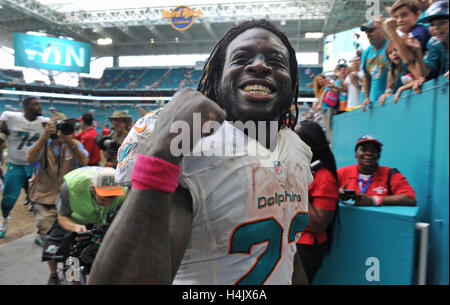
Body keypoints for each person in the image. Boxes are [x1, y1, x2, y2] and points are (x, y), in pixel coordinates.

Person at [89, 19, 313, 285]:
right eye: (241, 58)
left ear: (292, 83)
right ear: (217, 79)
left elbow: (289, 253)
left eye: (276, 62)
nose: (260, 65)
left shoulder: (296, 148)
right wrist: (160, 157)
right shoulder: (194, 149)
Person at [43, 166, 127, 284]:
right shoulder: (71, 187)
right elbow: (62, 217)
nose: (108, 203)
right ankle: (54, 274)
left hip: (104, 221)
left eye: (112, 198)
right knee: (51, 247)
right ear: (92, 189)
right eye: (103, 199)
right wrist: (76, 228)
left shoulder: (125, 189)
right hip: (75, 220)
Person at [26, 112, 88, 246]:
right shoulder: (42, 144)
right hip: (44, 199)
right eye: (57, 126)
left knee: (71, 241)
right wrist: (44, 136)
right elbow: (30, 159)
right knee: (49, 243)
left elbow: (84, 162)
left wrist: (69, 142)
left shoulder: (73, 144)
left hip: (69, 200)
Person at [294, 120, 339, 284]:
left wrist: (298, 185)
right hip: (292, 241)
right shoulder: (299, 167)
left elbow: (319, 223)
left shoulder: (325, 178)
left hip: (307, 248)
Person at [0, 96, 49, 238]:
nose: (39, 106)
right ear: (26, 107)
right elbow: (1, 137)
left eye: (40, 103)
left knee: (37, 200)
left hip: (35, 167)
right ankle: (4, 221)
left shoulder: (44, 122)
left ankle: (40, 232)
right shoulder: (11, 118)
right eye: (36, 104)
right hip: (15, 165)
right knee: (8, 198)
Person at [337, 135, 417, 206]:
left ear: (378, 155)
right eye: (363, 150)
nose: (368, 153)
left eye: (373, 150)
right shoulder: (341, 173)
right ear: (356, 154)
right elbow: (325, 193)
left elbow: (410, 199)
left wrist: (374, 200)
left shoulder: (391, 174)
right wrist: (337, 193)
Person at [360, 20, 390, 112]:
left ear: (381, 29)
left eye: (371, 30)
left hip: (391, 99)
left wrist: (387, 92)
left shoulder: (390, 45)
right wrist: (366, 97)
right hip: (374, 103)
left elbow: (393, 70)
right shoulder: (366, 53)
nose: (368, 34)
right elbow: (366, 76)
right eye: (367, 32)